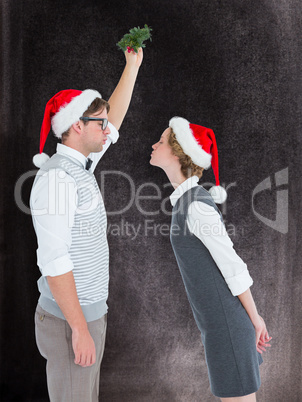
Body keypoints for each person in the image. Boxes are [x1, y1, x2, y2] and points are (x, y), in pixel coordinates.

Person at [30, 48, 143, 402]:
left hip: (88, 316)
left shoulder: (81, 165)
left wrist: (132, 66)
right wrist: (79, 329)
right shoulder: (58, 180)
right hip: (69, 323)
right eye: (101, 124)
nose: (109, 130)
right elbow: (55, 261)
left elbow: (115, 115)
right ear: (77, 126)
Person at [150, 117, 272, 402]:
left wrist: (255, 320)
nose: (154, 144)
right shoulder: (185, 202)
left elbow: (233, 267)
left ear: (180, 154)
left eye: (162, 141)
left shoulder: (196, 206)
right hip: (219, 329)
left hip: (228, 329)